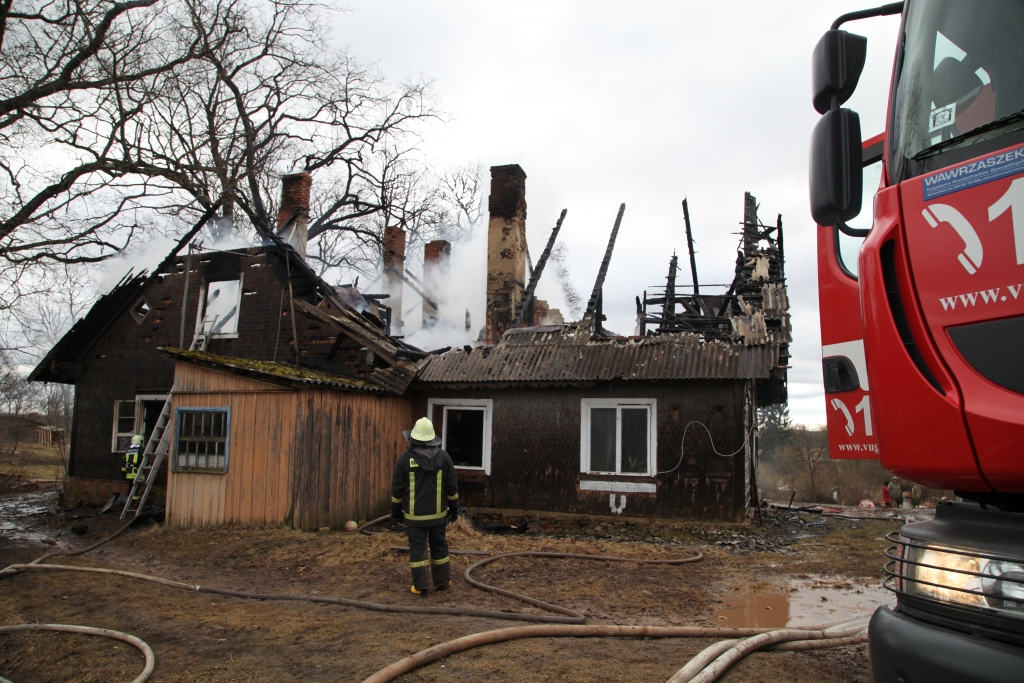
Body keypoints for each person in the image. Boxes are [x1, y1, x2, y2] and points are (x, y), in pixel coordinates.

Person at [390, 417, 459, 595]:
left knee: (418, 549)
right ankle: (443, 581)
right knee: (439, 546)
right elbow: (452, 487)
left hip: (414, 518)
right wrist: (454, 509)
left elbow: (397, 490)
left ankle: (421, 586)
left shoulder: (405, 459)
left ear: (413, 439)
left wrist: (395, 513)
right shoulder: (444, 458)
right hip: (438, 516)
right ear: (432, 439)